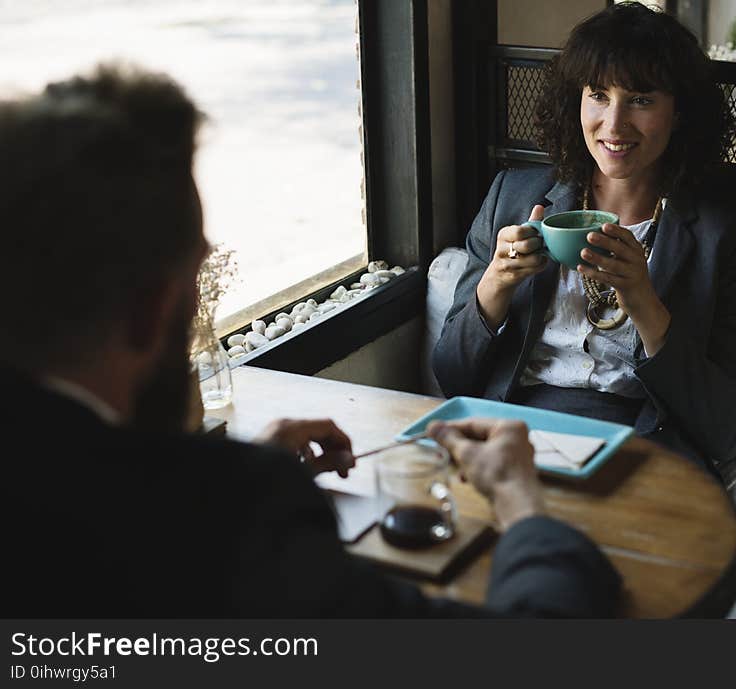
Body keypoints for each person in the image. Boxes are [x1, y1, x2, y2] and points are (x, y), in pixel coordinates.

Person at [0, 65, 620, 617]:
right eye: (197, 278)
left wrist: (233, 477)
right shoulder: (234, 534)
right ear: (152, 311)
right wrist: (521, 504)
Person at [433, 2, 736, 469]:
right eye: (599, 96)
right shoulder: (515, 197)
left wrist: (645, 303)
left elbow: (729, 431)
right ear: (577, 101)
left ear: (680, 112)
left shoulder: (724, 236)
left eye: (641, 99)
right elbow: (451, 375)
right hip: (515, 434)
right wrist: (496, 285)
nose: (614, 124)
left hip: (645, 448)